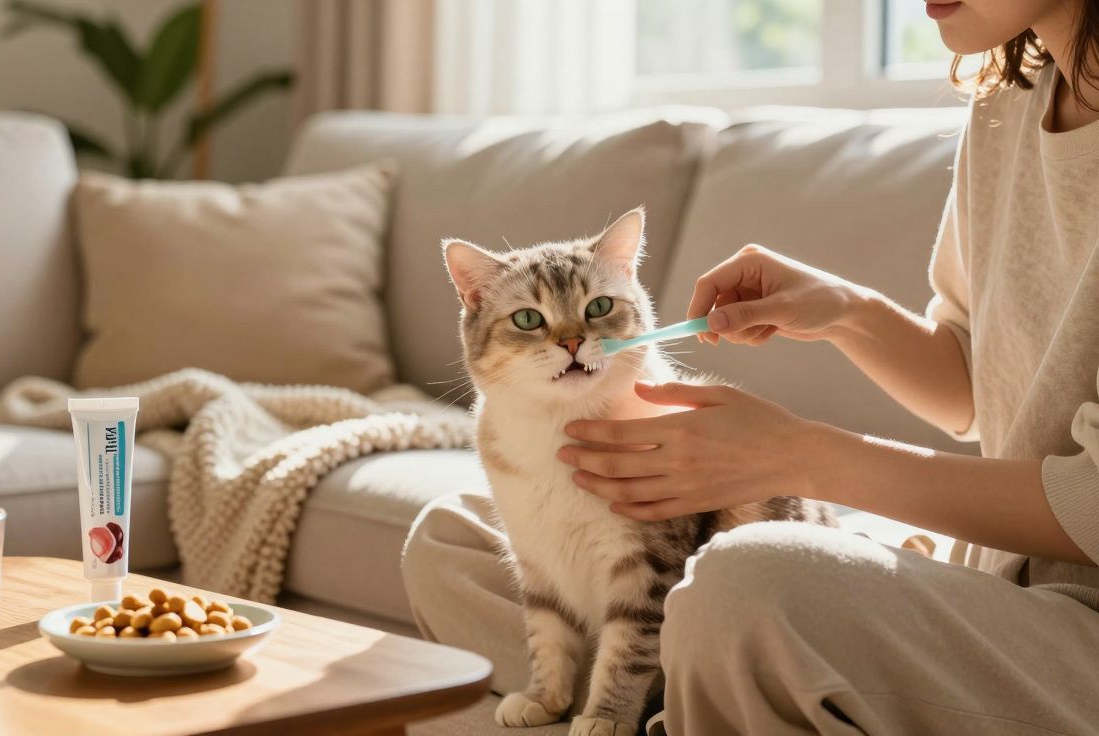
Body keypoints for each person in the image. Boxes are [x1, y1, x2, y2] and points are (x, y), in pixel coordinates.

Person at [401, 0, 1099, 733]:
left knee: (741, 586)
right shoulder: (1006, 106)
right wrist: (846, 310)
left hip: (1077, 634)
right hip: (996, 582)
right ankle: (683, 687)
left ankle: (693, 680)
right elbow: (978, 389)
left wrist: (804, 458)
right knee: (449, 538)